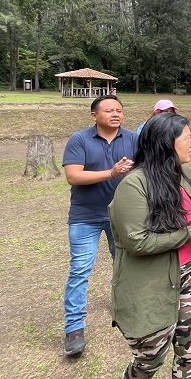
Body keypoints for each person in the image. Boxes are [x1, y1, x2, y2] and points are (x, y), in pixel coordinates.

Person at [109, 113, 191, 379]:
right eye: (187, 139)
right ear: (166, 144)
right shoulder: (134, 185)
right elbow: (137, 242)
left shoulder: (184, 173)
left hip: (190, 282)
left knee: (190, 354)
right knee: (147, 362)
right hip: (152, 289)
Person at [61, 95, 138, 356]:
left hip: (122, 215)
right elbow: (73, 176)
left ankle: (124, 308)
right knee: (80, 270)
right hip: (86, 216)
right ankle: (74, 329)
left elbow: (143, 169)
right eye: (109, 110)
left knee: (125, 265)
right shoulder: (79, 140)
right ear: (94, 115)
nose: (115, 114)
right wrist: (112, 173)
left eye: (119, 110)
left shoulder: (132, 139)